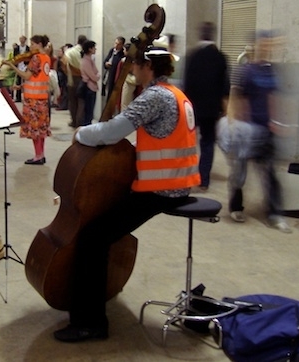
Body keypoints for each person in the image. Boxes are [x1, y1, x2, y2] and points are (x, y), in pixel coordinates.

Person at [53, 47, 200, 343]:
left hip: (161, 189)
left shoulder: (154, 97)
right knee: (102, 228)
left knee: (92, 238)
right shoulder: (176, 93)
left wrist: (81, 133)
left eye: (134, 64)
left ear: (147, 66)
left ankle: (91, 323)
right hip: (180, 183)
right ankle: (95, 298)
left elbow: (112, 131)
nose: (131, 69)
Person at [226, 30, 291, 233]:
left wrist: (278, 122)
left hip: (266, 130)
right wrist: (235, 124)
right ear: (256, 45)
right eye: (265, 43)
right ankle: (236, 207)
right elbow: (236, 98)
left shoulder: (271, 71)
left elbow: (273, 97)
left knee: (270, 173)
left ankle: (274, 214)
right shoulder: (245, 71)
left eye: (271, 44)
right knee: (240, 172)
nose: (268, 47)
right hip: (247, 131)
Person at [183, 22, 230, 190]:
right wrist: (224, 108)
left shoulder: (192, 56)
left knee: (188, 142)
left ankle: (185, 175)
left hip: (192, 108)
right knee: (208, 142)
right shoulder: (220, 57)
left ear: (201, 34)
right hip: (211, 109)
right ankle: (203, 180)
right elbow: (225, 87)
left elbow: (186, 84)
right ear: (213, 35)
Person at [3, 35, 52, 165]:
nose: (31, 47)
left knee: (34, 129)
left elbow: (26, 75)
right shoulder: (46, 57)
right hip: (43, 98)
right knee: (41, 128)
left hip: (33, 99)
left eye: (33, 44)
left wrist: (12, 65)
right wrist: (21, 86)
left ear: (39, 44)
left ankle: (37, 156)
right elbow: (38, 78)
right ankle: (41, 154)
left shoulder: (36, 58)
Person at [63, 35, 87, 127]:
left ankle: (73, 121)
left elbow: (64, 62)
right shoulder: (85, 52)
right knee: (81, 101)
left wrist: (67, 72)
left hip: (71, 78)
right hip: (83, 78)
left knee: (72, 101)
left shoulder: (69, 51)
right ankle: (79, 121)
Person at [79, 40, 100, 125]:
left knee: (90, 110)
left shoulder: (90, 59)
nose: (95, 49)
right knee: (88, 110)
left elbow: (96, 72)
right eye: (94, 47)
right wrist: (97, 76)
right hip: (89, 87)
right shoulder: (86, 61)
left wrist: (97, 75)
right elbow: (94, 76)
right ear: (90, 49)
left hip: (92, 87)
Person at [13, 35, 29, 102]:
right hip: (19, 65)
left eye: (23, 39)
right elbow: (14, 57)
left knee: (25, 81)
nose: (22, 40)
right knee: (18, 81)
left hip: (25, 65)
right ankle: (18, 97)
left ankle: (26, 96)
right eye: (21, 39)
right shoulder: (17, 48)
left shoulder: (28, 48)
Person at [56, 44, 72, 110]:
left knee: (65, 92)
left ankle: (64, 105)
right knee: (63, 91)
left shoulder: (66, 58)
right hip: (63, 77)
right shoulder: (61, 59)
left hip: (66, 76)